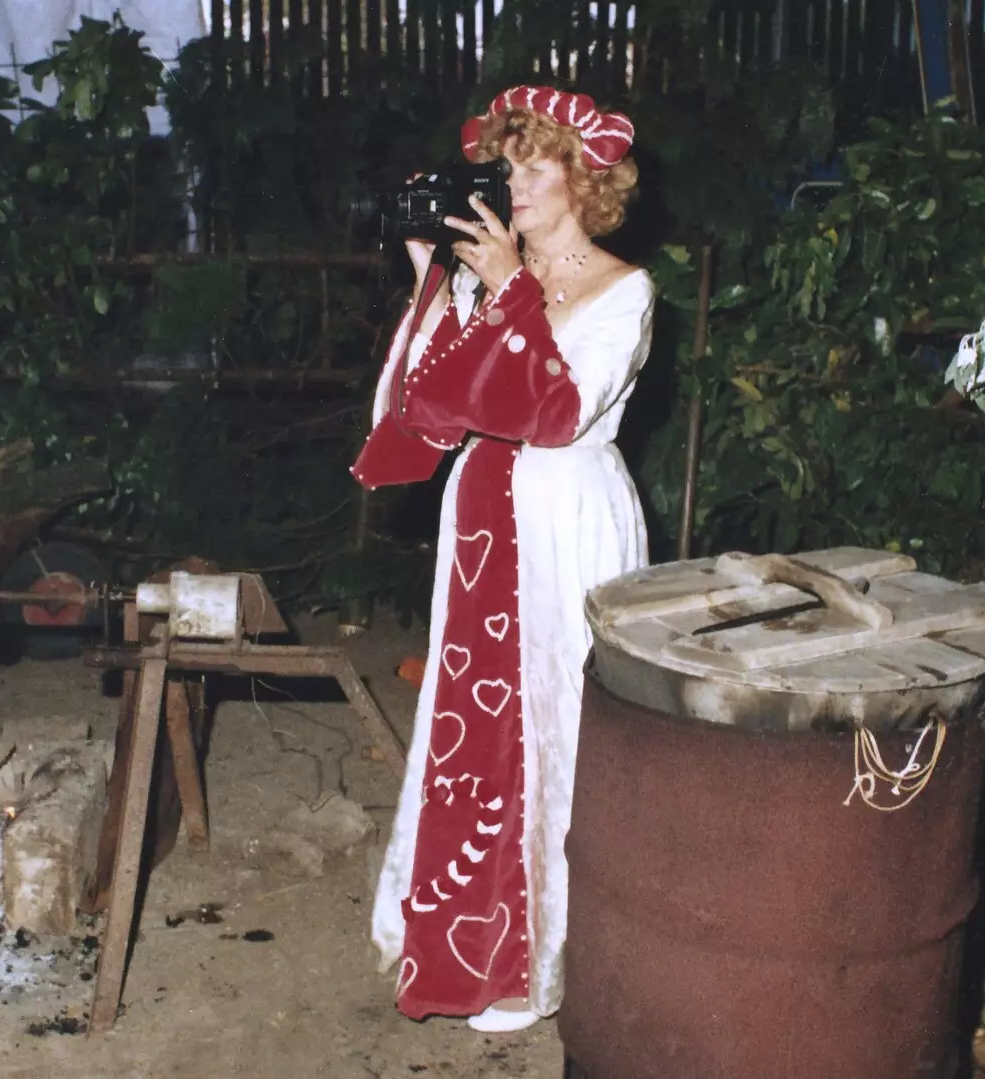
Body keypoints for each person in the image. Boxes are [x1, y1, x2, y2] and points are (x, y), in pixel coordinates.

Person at [349, 85, 655, 1033]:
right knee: (472, 717)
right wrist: (433, 285)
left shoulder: (624, 288)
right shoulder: (490, 277)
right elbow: (419, 420)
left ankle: (536, 954)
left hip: (565, 519)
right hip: (482, 517)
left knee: (555, 722)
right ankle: (456, 931)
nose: (513, 184)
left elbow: (555, 412)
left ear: (584, 179)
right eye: (506, 165)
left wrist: (511, 291)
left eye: (535, 166)